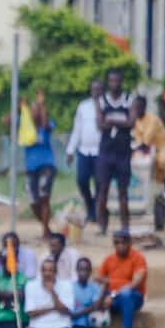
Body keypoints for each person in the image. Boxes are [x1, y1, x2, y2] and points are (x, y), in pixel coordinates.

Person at [95, 69, 135, 235]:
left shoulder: (128, 99)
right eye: (111, 81)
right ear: (108, 82)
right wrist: (120, 121)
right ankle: (103, 226)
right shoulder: (102, 100)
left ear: (121, 82)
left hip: (123, 153)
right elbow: (100, 124)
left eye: (117, 81)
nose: (114, 84)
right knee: (103, 189)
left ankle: (125, 226)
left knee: (123, 191)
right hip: (106, 152)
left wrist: (111, 120)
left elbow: (131, 123)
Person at [66, 79, 103, 223]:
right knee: (82, 180)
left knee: (100, 184)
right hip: (84, 151)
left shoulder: (107, 105)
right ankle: (90, 207)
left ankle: (97, 212)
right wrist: (70, 150)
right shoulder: (83, 106)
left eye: (99, 89)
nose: (97, 92)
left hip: (101, 152)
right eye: (94, 89)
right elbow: (77, 129)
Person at [97, 230, 146, 328]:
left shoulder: (138, 258)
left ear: (130, 243)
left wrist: (113, 294)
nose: (120, 245)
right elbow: (100, 280)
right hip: (111, 298)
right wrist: (104, 295)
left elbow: (135, 284)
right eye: (116, 243)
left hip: (133, 298)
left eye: (123, 242)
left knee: (126, 294)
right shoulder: (109, 259)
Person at [23, 92, 56, 238]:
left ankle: (45, 232)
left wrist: (42, 106)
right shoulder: (25, 126)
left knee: (44, 197)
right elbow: (6, 121)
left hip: (47, 165)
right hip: (30, 167)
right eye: (33, 110)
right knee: (32, 201)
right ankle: (47, 227)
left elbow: (45, 125)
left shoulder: (47, 125)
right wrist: (21, 108)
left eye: (38, 110)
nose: (35, 112)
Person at [132, 96, 165, 202]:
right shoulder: (136, 121)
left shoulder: (153, 119)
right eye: (134, 108)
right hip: (151, 149)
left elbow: (146, 141)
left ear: (144, 107)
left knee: (162, 161)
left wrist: (135, 148)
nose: (136, 110)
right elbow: (138, 141)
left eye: (138, 107)